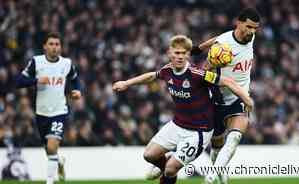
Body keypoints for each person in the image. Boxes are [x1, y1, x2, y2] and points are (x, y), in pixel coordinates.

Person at [112, 35, 254, 184]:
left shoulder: (197, 74)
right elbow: (152, 76)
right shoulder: (167, 70)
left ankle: (169, 172)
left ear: (188, 54)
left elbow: (227, 81)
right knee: (149, 155)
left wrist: (246, 99)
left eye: (183, 53)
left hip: (199, 131)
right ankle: (167, 165)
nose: (180, 57)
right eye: (176, 53)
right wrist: (127, 83)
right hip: (177, 125)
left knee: (170, 170)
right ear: (169, 53)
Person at [192, 8, 260, 184]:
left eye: (255, 28)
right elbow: (211, 57)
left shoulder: (249, 38)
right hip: (218, 98)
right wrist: (203, 61)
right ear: (238, 23)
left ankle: (210, 178)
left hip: (240, 97)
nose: (252, 32)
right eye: (249, 27)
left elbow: (215, 38)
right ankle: (222, 178)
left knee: (235, 137)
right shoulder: (223, 45)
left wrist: (198, 47)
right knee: (216, 147)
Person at [16, 32, 82, 184]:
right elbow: (19, 81)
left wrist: (77, 90)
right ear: (44, 46)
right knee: (49, 151)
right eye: (51, 44)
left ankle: (49, 181)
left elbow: (75, 79)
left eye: (57, 44)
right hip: (41, 113)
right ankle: (59, 161)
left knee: (52, 146)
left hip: (59, 111)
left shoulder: (66, 63)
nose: (54, 47)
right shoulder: (36, 62)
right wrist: (36, 80)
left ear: (60, 47)